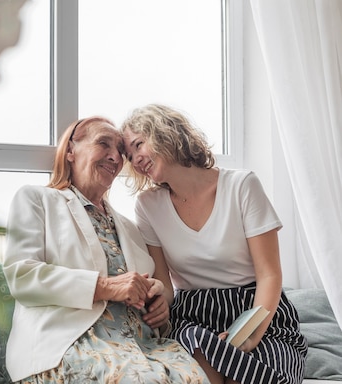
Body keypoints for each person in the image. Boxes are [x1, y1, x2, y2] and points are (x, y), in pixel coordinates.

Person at [2, 116, 211, 383]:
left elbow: (154, 284)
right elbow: (21, 276)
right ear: (70, 151)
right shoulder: (37, 200)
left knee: (195, 377)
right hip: (70, 346)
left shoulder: (129, 226)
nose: (115, 157)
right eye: (103, 144)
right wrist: (105, 286)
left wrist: (158, 300)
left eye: (121, 151)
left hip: (143, 349)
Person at [120, 103, 308, 384]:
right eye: (129, 155)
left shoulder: (242, 186)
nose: (135, 159)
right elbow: (167, 287)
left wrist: (250, 335)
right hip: (195, 315)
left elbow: (269, 275)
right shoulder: (148, 206)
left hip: (256, 310)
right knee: (202, 367)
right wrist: (159, 300)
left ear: (164, 132)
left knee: (253, 375)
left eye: (138, 145)